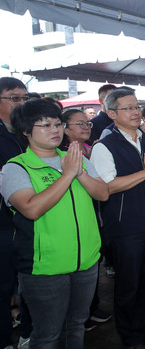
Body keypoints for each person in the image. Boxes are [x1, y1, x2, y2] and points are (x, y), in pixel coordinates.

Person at [1, 99, 108, 349]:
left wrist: (79, 171)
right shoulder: (16, 168)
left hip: (87, 261)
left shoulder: (73, 157)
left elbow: (102, 193)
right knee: (48, 333)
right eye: (45, 125)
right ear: (26, 131)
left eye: (58, 124)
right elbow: (31, 208)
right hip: (45, 268)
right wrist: (68, 174)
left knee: (77, 325)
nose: (55, 130)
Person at [90, 88, 145, 349]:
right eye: (128, 108)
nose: (136, 112)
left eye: (137, 107)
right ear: (112, 113)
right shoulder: (105, 146)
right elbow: (107, 187)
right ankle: (131, 337)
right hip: (126, 227)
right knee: (128, 286)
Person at [60, 109, 112, 332]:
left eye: (88, 123)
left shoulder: (90, 149)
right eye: (79, 123)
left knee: (93, 262)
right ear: (64, 128)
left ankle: (91, 306)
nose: (85, 127)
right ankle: (79, 314)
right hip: (73, 219)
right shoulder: (61, 156)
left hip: (96, 215)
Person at [0, 77, 31, 349]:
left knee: (30, 281)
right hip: (3, 222)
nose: (21, 103)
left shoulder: (27, 132)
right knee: (3, 283)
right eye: (14, 98)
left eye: (24, 98)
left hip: (33, 221)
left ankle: (28, 332)